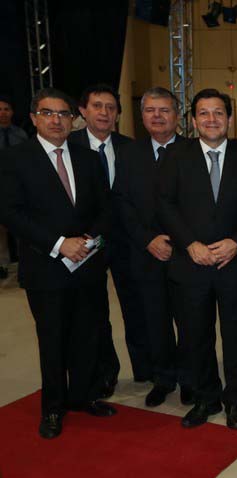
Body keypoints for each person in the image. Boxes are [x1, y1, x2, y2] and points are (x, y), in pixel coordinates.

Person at [0, 88, 116, 439]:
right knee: (52, 339)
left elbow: (105, 208)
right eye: (48, 113)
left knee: (88, 333)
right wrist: (59, 244)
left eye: (63, 114)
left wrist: (89, 241)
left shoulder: (87, 158)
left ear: (72, 119)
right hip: (45, 267)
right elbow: (10, 213)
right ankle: (53, 407)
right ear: (33, 118)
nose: (56, 120)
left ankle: (84, 396)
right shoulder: (15, 159)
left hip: (87, 263)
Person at [157, 88, 237, 430]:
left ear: (229, 118)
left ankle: (235, 400)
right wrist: (189, 244)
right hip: (191, 263)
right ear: (193, 120)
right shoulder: (176, 155)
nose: (211, 119)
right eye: (203, 113)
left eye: (218, 113)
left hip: (232, 264)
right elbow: (165, 204)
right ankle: (206, 397)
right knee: (195, 335)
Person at [113, 86, 192, 407]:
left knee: (189, 321)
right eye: (150, 110)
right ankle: (164, 377)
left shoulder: (193, 151)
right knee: (155, 320)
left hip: (185, 254)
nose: (157, 116)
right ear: (142, 115)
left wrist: (178, 241)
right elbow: (122, 202)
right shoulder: (129, 153)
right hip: (145, 254)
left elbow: (201, 206)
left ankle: (190, 378)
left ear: (177, 115)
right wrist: (148, 240)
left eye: (164, 110)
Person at [69, 84, 134, 397]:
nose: (104, 113)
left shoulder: (130, 148)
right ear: (83, 111)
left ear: (118, 113)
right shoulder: (69, 145)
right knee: (94, 313)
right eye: (97, 106)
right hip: (85, 243)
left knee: (135, 310)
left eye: (111, 107)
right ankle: (105, 372)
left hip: (127, 242)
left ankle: (146, 370)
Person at [0, 95, 28, 279]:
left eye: (6, 109)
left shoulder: (20, 135)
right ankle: (2, 265)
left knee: (21, 227)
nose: (3, 113)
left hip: (19, 187)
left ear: (12, 112)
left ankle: (25, 263)